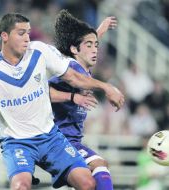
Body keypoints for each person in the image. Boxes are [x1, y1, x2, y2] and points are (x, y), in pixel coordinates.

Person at [0, 12, 124, 190]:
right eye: (21, 33)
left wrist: (107, 87)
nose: (27, 38)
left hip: (51, 137)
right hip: (18, 142)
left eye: (28, 32)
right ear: (4, 36)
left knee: (87, 183)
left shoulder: (39, 52)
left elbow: (74, 74)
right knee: (21, 186)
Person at [49, 10, 119, 190]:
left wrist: (99, 31)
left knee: (88, 182)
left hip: (73, 140)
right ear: (74, 49)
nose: (95, 49)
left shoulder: (83, 67)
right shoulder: (71, 69)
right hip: (59, 140)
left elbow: (84, 47)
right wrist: (72, 97)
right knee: (99, 165)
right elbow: (42, 91)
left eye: (96, 45)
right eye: (90, 45)